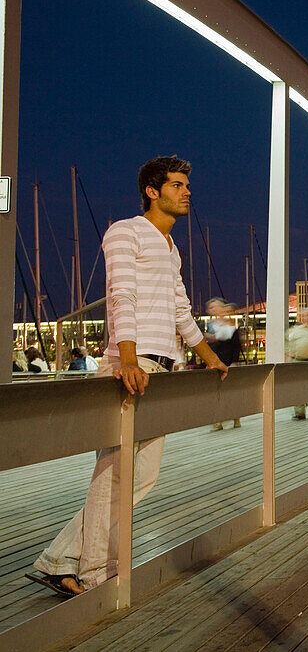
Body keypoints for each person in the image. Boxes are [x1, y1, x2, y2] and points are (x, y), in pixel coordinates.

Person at [27, 155, 228, 598]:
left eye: (186, 185)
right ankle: (93, 569)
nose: (186, 192)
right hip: (130, 364)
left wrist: (209, 357)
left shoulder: (171, 247)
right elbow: (121, 297)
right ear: (152, 192)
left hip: (161, 366)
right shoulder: (125, 231)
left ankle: (63, 559)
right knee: (114, 473)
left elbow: (179, 309)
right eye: (177, 185)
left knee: (142, 475)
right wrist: (128, 360)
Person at [206, 298, 242, 430]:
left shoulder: (231, 326)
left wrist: (234, 362)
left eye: (215, 306)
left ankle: (236, 417)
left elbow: (236, 346)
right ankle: (218, 421)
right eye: (211, 307)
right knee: (215, 393)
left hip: (227, 363)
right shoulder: (210, 325)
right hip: (213, 364)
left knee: (230, 393)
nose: (212, 309)